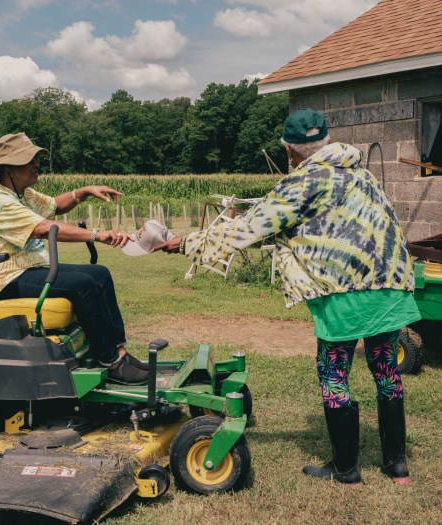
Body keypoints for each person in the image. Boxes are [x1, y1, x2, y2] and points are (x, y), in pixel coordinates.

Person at [156, 109, 420, 485]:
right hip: (391, 289)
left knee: (334, 377)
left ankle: (345, 470)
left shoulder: (304, 181)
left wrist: (186, 243)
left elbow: (249, 227)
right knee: (386, 372)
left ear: (289, 150)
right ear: (327, 140)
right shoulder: (362, 174)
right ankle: (397, 466)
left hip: (346, 295)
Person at [0, 132, 148, 385]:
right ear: (8, 169)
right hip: (1, 279)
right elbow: (45, 227)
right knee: (82, 285)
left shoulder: (22, 194)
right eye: (28, 160)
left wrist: (84, 191)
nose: (35, 164)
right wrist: (97, 234)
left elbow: (54, 205)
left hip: (26, 268)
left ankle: (119, 352)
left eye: (35, 159)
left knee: (99, 274)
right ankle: (110, 362)